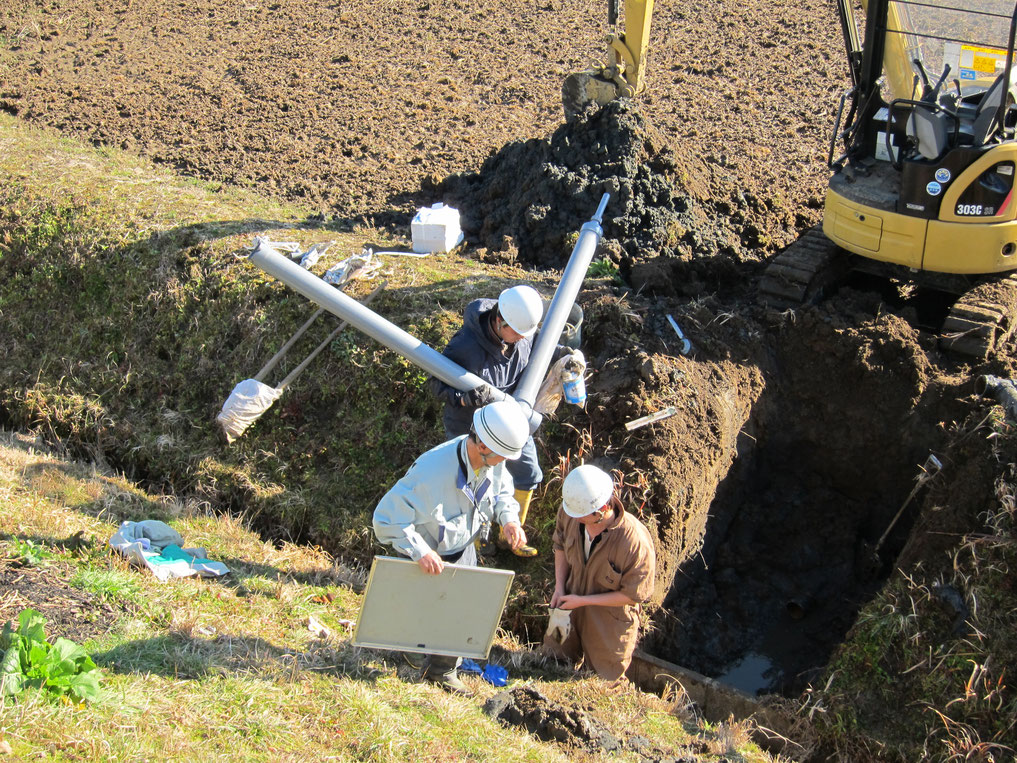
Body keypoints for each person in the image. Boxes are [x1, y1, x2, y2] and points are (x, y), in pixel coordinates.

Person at [372, 399, 531, 694]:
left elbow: (502, 493)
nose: (504, 462)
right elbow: (386, 519)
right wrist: (420, 551)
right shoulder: (430, 472)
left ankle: (443, 670)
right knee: (419, 606)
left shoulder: (492, 461)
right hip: (426, 547)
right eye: (502, 456)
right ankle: (411, 653)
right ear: (482, 445)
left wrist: (509, 520)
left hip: (462, 543)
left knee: (460, 605)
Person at [428, 284, 577, 557]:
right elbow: (436, 384)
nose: (522, 338)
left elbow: (539, 345)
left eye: (525, 334)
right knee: (472, 483)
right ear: (499, 320)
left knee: (529, 472)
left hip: (510, 418)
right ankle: (475, 536)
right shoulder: (466, 346)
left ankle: (511, 533)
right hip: (470, 426)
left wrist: (566, 355)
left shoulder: (521, 334)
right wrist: (465, 398)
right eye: (518, 333)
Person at [543, 463, 656, 683]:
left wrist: (583, 601)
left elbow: (633, 595)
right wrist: (560, 587)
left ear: (603, 509)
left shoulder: (634, 542)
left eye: (582, 516)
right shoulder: (571, 510)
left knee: (603, 682)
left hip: (610, 620)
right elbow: (560, 546)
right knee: (551, 665)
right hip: (569, 603)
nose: (575, 520)